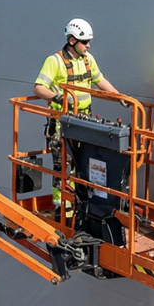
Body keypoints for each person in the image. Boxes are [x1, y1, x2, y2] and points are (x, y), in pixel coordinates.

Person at [34, 19, 119, 211]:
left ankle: (81, 203)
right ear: (72, 40)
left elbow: (100, 80)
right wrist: (57, 97)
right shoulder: (54, 61)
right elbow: (39, 88)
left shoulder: (88, 59)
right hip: (62, 124)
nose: (88, 45)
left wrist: (118, 96)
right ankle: (63, 206)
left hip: (84, 122)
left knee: (85, 163)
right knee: (62, 165)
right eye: (85, 41)